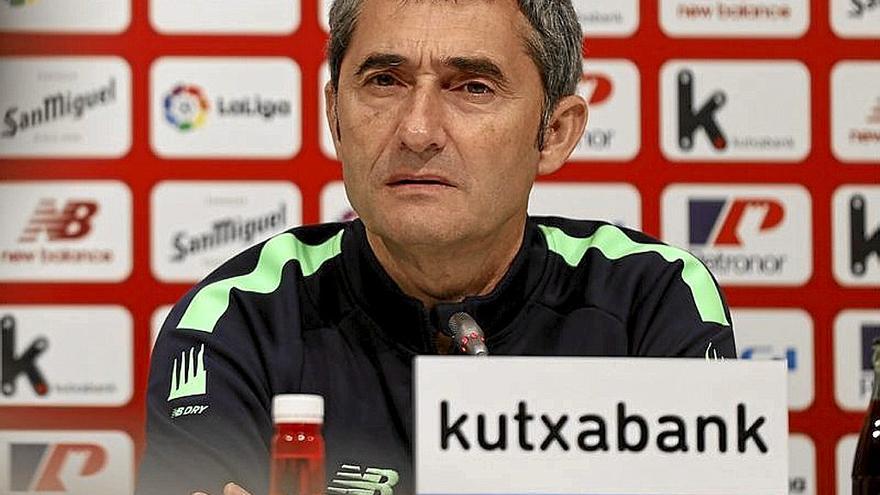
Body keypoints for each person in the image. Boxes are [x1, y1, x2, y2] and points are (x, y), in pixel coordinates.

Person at [137, 0, 736, 493]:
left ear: (554, 132)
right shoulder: (239, 317)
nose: (417, 130)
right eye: (384, 81)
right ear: (335, 117)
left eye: (472, 87)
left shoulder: (650, 297)